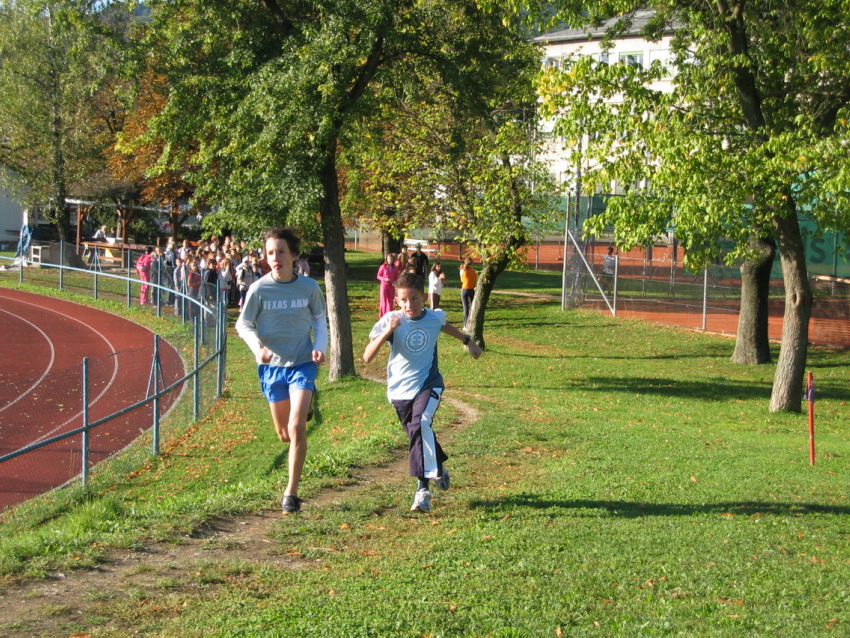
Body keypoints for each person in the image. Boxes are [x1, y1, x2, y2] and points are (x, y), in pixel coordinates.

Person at [363, 272, 482, 513]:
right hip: (399, 391)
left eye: (415, 299)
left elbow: (444, 326)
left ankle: (422, 490)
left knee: (421, 424)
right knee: (417, 434)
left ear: (424, 297)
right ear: (397, 300)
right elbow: (367, 357)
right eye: (404, 300)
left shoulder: (433, 317)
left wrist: (468, 341)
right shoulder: (391, 319)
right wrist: (388, 331)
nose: (410, 305)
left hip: (429, 384)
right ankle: (437, 465)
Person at [236, 227, 328, 514]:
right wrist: (258, 349)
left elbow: (319, 319)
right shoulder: (259, 289)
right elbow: (243, 325)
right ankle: (303, 408)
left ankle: (291, 493)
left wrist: (320, 346)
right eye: (270, 253)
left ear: (294, 255)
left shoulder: (309, 288)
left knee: (297, 426)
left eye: (281, 252)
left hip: (302, 363)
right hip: (272, 368)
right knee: (284, 434)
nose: (275, 257)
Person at [376, 252, 398, 317]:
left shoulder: (395, 267)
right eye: (389, 259)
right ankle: (382, 315)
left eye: (391, 259)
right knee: (383, 301)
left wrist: (395, 281)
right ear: (386, 259)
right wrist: (384, 279)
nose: (390, 260)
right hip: (384, 286)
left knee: (390, 301)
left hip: (391, 286)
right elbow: (378, 276)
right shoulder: (383, 266)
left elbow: (396, 277)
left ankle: (389, 315)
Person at [459, 257, 477, 329]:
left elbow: (462, 280)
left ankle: (466, 325)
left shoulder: (462, 270)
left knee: (466, 307)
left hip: (465, 290)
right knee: (473, 307)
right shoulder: (474, 272)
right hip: (472, 290)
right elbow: (475, 282)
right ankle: (473, 322)